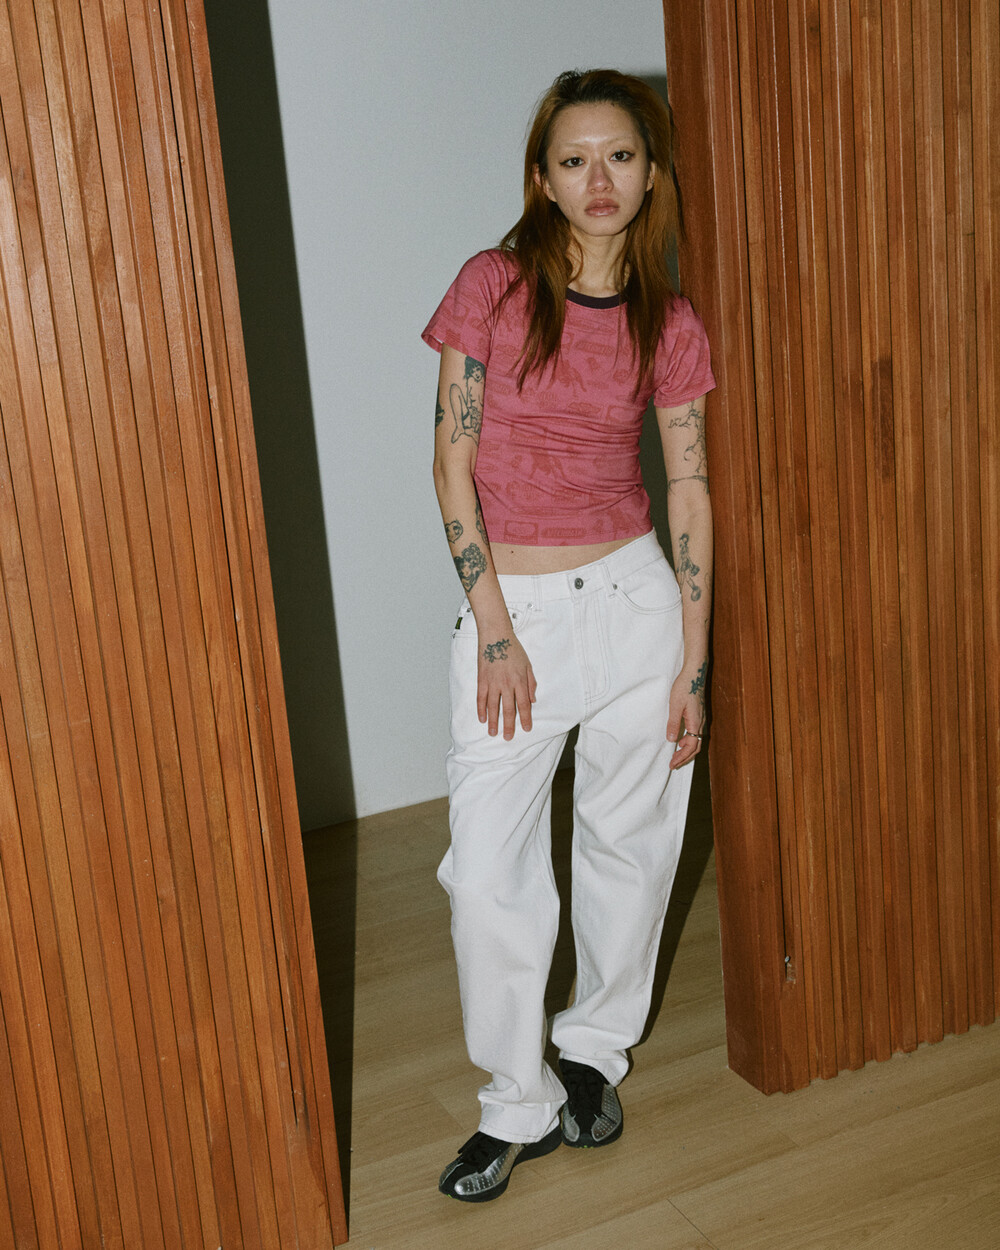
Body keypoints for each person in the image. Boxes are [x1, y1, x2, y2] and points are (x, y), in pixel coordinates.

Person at [422, 68, 715, 1203]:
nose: (600, 179)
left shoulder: (668, 321)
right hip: (520, 613)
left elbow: (688, 488)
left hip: (638, 605)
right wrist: (495, 629)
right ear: (541, 179)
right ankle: (516, 1097)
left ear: (650, 173)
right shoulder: (491, 287)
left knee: (630, 846)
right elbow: (451, 464)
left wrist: (695, 659)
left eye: (621, 156)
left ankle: (591, 1050)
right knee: (487, 874)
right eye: (574, 158)